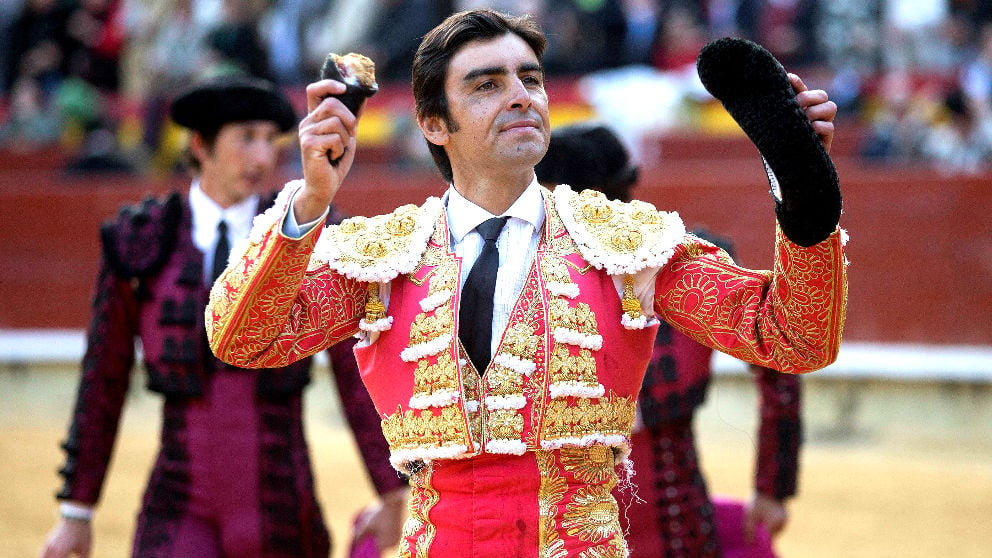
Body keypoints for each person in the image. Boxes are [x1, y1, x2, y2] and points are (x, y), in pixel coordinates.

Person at [206, 9, 847, 557]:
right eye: (487, 84)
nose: (521, 95)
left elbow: (792, 339)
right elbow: (245, 340)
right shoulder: (383, 258)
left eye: (531, 79)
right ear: (433, 122)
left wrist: (802, 199)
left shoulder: (627, 245)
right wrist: (311, 202)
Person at [39, 75, 407, 558]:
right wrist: (77, 510)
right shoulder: (143, 239)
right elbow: (103, 378)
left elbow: (355, 370)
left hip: (281, 500)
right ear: (200, 146)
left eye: (269, 140)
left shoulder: (311, 235)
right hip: (178, 502)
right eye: (245, 138)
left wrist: (393, 488)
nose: (262, 158)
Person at [535, 122, 801, 558]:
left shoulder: (673, 268)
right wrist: (772, 489)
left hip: (659, 526)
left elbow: (777, 357)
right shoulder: (676, 268)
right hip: (662, 520)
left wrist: (774, 488)